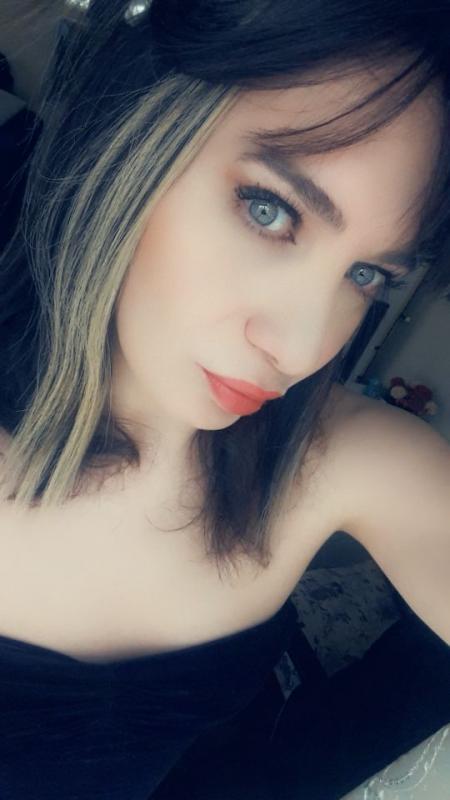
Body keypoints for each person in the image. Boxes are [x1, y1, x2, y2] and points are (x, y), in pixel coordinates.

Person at [0, 1, 449, 798]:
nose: (303, 350)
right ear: (132, 134)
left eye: (366, 275)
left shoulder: (340, 459)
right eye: (270, 211)